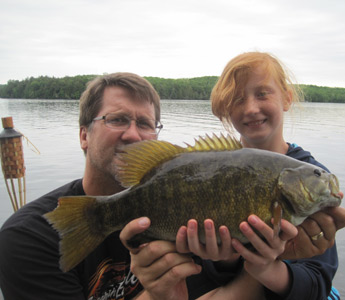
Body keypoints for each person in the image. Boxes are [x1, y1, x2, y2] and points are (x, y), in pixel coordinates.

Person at [0, 72, 255, 300]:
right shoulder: (28, 239)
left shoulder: (186, 208)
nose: (133, 134)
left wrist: (229, 260)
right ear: (84, 136)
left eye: (145, 124)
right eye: (117, 119)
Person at [192, 51, 345, 299]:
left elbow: (317, 282)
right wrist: (226, 259)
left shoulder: (310, 179)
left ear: (287, 98)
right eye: (237, 99)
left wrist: (267, 268)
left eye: (262, 94)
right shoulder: (209, 171)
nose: (251, 108)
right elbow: (204, 278)